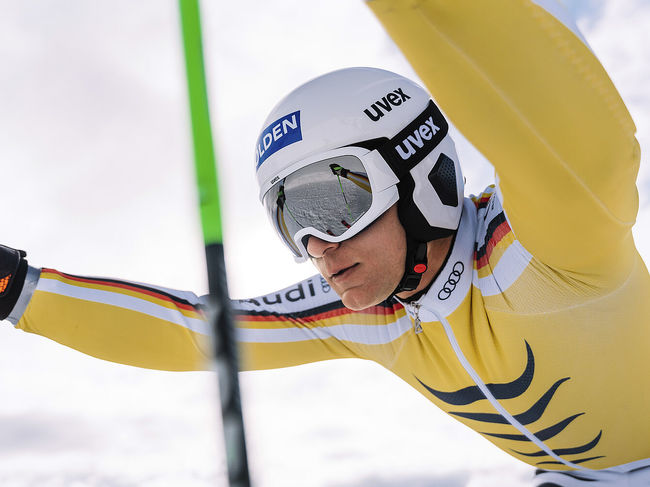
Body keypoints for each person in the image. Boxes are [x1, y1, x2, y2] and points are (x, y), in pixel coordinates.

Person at [1, 1, 649, 485]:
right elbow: (198, 332)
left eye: (335, 205)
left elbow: (584, 153)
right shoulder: (370, 316)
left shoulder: (548, 245)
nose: (318, 246)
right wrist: (13, 289)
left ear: (419, 176)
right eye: (291, 219)